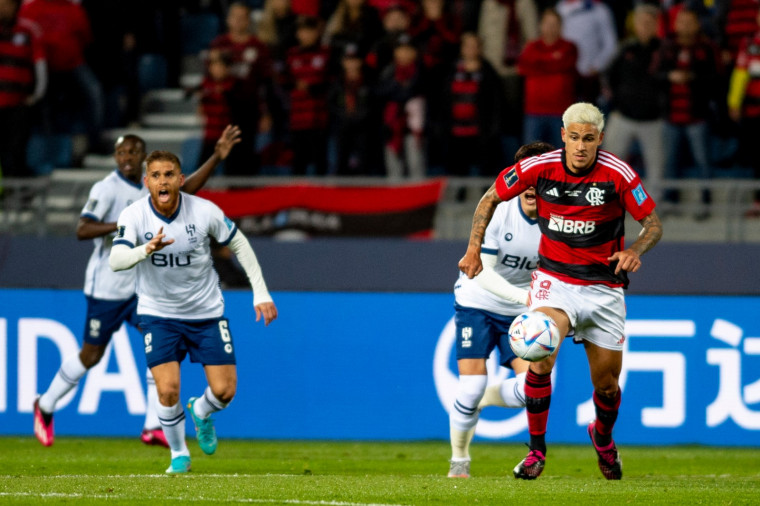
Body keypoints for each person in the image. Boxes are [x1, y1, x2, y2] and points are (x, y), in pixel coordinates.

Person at [458, 102, 663, 480]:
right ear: (563, 137)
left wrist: (634, 250)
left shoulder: (617, 174)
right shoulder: (540, 167)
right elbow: (490, 198)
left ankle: (602, 438)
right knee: (540, 353)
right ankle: (537, 451)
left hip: (603, 289)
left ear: (600, 139)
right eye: (574, 137)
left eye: (589, 139)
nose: (581, 146)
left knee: (605, 386)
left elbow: (652, 224)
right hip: (556, 282)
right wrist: (473, 249)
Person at [33, 125, 242, 448]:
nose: (126, 158)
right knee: (91, 355)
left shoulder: (155, 187)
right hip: (107, 288)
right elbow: (82, 229)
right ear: (115, 158)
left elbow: (189, 190)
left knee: (160, 351)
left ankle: (152, 426)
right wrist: (124, 225)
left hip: (142, 290)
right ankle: (45, 404)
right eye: (121, 153)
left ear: (144, 159)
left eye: (133, 152)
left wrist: (216, 156)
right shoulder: (107, 189)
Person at [109, 150, 278, 474]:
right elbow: (116, 261)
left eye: (169, 174)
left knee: (225, 391)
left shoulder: (204, 211)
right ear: (147, 182)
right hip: (158, 314)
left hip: (206, 313)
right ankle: (178, 453)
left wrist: (261, 292)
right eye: (156, 175)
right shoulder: (133, 216)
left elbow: (239, 242)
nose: (163, 181)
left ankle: (201, 411)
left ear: (180, 180)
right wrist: (146, 249)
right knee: (167, 389)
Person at [447, 141, 555, 479]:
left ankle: (484, 400)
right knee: (469, 387)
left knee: (530, 390)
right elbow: (480, 270)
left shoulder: (561, 219)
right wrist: (526, 300)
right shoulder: (496, 208)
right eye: (524, 177)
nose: (530, 186)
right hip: (478, 301)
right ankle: (459, 460)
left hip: (522, 313)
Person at [603, 4, 666, 203]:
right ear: (635, 25)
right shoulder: (625, 48)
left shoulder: (664, 50)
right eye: (642, 22)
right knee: (610, 163)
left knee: (656, 167)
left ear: (656, 25)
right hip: (624, 116)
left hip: (652, 119)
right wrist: (616, 103)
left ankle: (652, 208)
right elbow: (608, 76)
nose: (645, 26)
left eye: (650, 22)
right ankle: (607, 202)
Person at [517, 7, 577, 149]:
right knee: (531, 158)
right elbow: (523, 68)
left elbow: (563, 65)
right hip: (534, 111)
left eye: (554, 24)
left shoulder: (569, 47)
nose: (550, 28)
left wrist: (538, 64)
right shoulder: (531, 46)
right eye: (547, 24)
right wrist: (552, 58)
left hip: (561, 113)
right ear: (540, 25)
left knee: (563, 157)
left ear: (561, 27)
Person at [0, 0, 46, 178]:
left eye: (7, 4)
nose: (3, 8)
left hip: (17, 104)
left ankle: (18, 192)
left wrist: (36, 95)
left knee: (16, 150)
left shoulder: (28, 29)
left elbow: (40, 64)